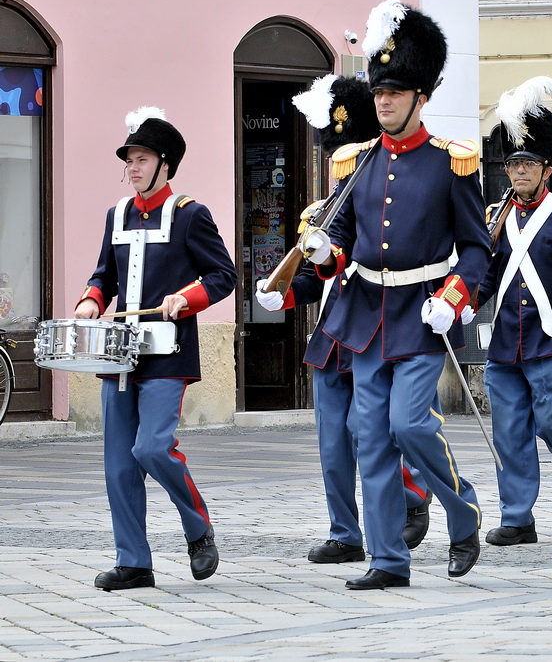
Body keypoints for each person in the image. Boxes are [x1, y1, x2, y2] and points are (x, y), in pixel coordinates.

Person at [308, 0, 489, 589]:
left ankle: (462, 509)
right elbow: (342, 238)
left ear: (421, 97)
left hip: (421, 312)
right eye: (379, 91)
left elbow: (478, 249)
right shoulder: (357, 163)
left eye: (395, 91)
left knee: (410, 426)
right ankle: (388, 559)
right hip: (366, 316)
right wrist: (324, 252)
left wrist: (454, 297)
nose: (383, 101)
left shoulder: (449, 165)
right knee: (370, 438)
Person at [254, 75, 432, 564]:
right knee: (333, 442)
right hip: (333, 334)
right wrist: (281, 296)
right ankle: (345, 532)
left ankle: (412, 495)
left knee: (372, 428)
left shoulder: (392, 201)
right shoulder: (320, 212)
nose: (341, 164)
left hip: (378, 327)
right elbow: (315, 279)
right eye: (335, 155)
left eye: (347, 152)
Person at [75, 107, 237, 591]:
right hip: (118, 354)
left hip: (168, 353)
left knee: (151, 447)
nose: (132, 167)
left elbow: (223, 275)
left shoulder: (191, 214)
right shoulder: (117, 214)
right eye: (129, 160)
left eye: (142, 159)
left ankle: (197, 527)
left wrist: (186, 298)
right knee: (119, 464)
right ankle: (133, 562)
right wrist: (91, 300)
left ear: (166, 164)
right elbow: (104, 274)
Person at [467, 76, 552, 546]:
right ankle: (518, 516)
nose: (519, 171)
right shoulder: (496, 216)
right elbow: (487, 275)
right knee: (509, 433)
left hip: (549, 342)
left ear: (547, 170)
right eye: (513, 163)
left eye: (528, 163)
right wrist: (466, 303)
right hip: (506, 343)